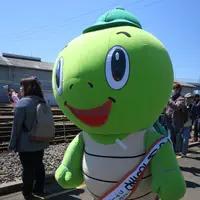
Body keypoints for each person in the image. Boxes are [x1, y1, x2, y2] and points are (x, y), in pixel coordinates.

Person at [9, 77, 49, 200]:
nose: (20, 89)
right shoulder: (43, 101)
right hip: (41, 141)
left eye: (22, 86)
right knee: (39, 165)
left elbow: (16, 127)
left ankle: (27, 193)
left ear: (28, 88)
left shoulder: (22, 103)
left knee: (27, 168)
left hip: (26, 144)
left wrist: (12, 144)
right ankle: (40, 189)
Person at [165, 82, 185, 152]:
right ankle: (171, 152)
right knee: (169, 139)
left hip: (174, 123)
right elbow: (167, 109)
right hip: (168, 121)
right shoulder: (172, 98)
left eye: (174, 88)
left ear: (178, 89)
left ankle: (172, 154)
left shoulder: (181, 98)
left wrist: (169, 99)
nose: (172, 90)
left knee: (171, 139)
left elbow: (176, 107)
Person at [179, 93, 193, 158]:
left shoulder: (193, 106)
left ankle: (184, 153)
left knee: (185, 140)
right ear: (185, 98)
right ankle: (180, 150)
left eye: (190, 98)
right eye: (187, 98)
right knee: (180, 138)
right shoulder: (181, 105)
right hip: (181, 125)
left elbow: (194, 116)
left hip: (188, 125)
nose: (189, 99)